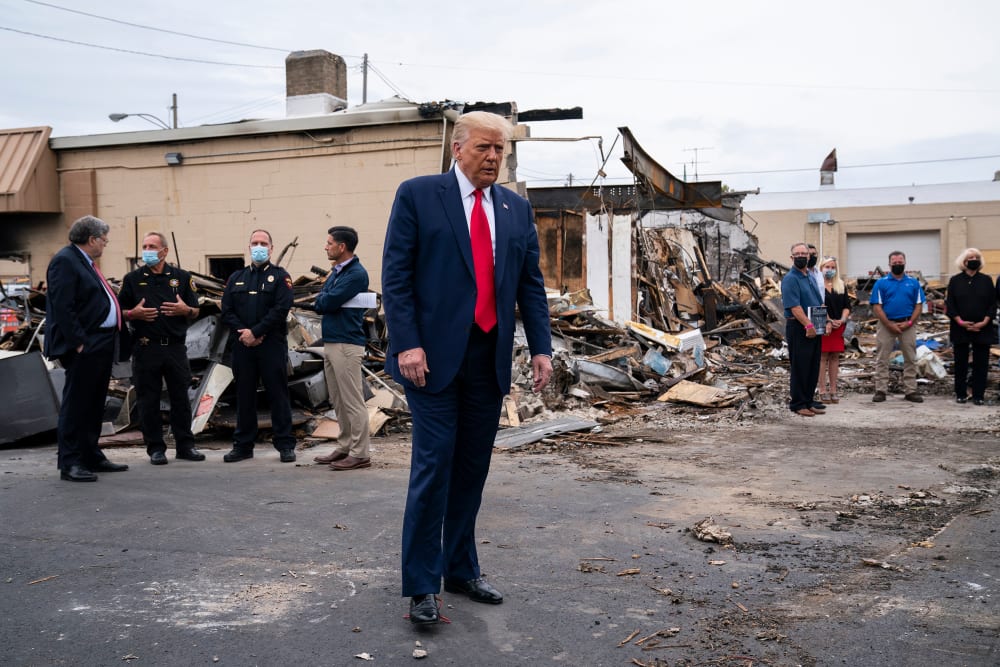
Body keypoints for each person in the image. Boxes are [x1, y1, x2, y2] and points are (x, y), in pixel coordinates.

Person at [382, 111, 553, 625]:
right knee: (433, 468)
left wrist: (541, 347)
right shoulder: (418, 195)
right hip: (430, 363)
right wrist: (408, 344)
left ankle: (460, 568)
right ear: (458, 149)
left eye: (501, 149)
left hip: (488, 359)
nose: (494, 158)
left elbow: (530, 285)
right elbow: (397, 277)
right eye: (485, 147)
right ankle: (421, 585)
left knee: (471, 470)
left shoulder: (515, 210)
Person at [44, 215, 130, 482]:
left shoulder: (85, 262)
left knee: (94, 403)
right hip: (86, 344)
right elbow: (63, 306)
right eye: (104, 240)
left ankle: (91, 454)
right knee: (77, 404)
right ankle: (70, 462)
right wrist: (79, 342)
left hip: (101, 343)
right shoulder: (65, 261)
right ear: (92, 239)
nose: (105, 245)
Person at [118, 232, 205, 465]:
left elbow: (196, 310)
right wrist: (132, 314)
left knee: (181, 399)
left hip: (175, 348)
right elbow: (119, 312)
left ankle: (186, 446)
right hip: (146, 348)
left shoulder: (182, 277)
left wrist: (184, 310)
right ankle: (155, 448)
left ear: (164, 251)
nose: (147, 250)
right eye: (144, 246)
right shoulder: (132, 279)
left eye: (152, 246)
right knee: (148, 400)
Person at [220, 229, 297, 462]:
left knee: (278, 395)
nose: (259, 246)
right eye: (255, 242)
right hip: (243, 346)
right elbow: (227, 310)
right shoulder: (236, 278)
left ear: (272, 249)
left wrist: (257, 332)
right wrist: (245, 333)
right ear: (249, 247)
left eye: (264, 243)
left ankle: (285, 444)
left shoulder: (281, 276)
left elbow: (281, 309)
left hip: (270, 345)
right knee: (244, 396)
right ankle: (243, 446)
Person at [312, 226, 372, 471]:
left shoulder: (356, 274)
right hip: (333, 341)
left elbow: (325, 302)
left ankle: (360, 453)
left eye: (329, 243)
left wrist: (325, 300)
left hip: (347, 344)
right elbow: (324, 299)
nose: (326, 247)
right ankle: (345, 445)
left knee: (352, 400)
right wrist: (325, 299)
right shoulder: (338, 272)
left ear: (342, 246)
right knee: (338, 400)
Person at [870, 250, 926, 403]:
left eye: (900, 262)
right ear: (889, 264)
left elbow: (919, 306)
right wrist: (889, 324)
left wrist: (909, 323)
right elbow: (877, 307)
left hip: (908, 324)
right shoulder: (881, 283)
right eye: (894, 263)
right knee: (882, 358)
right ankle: (880, 390)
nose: (897, 265)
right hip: (886, 324)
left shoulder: (913, 283)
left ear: (905, 263)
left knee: (910, 358)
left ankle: (911, 390)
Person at [781, 242, 826, 417]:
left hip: (815, 327)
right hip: (800, 328)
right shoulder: (790, 279)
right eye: (797, 254)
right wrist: (808, 325)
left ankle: (808, 400)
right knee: (800, 367)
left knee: (812, 366)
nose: (801, 256)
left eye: (803, 254)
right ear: (792, 258)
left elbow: (819, 302)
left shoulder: (810, 277)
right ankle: (798, 403)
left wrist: (826, 322)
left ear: (809, 256)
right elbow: (794, 307)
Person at [947, 248, 995, 404]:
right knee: (960, 362)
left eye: (976, 257)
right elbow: (951, 304)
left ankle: (978, 395)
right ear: (964, 261)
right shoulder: (955, 281)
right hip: (960, 327)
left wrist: (985, 321)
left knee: (981, 363)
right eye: (970, 258)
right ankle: (960, 393)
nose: (974, 260)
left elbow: (992, 304)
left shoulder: (986, 280)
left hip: (983, 327)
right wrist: (960, 321)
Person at [818, 256, 851, 404]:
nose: (830, 270)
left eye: (833, 267)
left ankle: (833, 389)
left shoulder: (841, 285)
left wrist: (842, 320)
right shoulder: (817, 284)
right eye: (827, 267)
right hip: (824, 325)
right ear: (821, 268)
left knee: (835, 357)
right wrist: (828, 320)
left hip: (839, 325)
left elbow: (847, 306)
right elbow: (818, 305)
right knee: (822, 357)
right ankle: (822, 389)